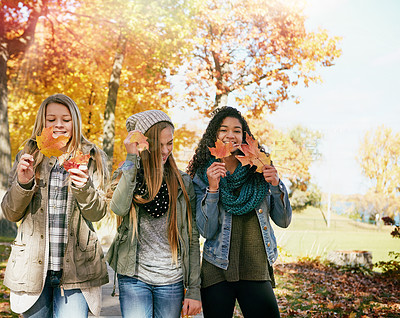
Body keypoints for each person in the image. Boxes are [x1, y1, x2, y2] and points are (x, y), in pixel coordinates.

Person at [1, 94, 109, 317]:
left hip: (77, 270)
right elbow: (11, 213)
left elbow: (97, 213)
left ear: (75, 122)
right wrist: (23, 182)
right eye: (51, 119)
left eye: (66, 119)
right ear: (43, 121)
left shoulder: (90, 156)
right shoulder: (29, 154)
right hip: (33, 267)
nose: (59, 125)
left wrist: (84, 187)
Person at [187, 106, 292, 318]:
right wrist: (213, 188)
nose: (230, 135)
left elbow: (283, 220)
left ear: (244, 135)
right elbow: (206, 230)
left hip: (255, 267)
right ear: (215, 134)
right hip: (217, 267)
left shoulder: (260, 167)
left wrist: (275, 185)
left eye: (236, 130)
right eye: (223, 129)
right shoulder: (203, 174)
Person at [106, 110, 202, 318]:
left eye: (170, 143)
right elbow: (119, 208)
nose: (166, 150)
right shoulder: (127, 173)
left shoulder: (182, 183)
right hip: (134, 278)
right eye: (160, 144)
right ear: (145, 144)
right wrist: (131, 158)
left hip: (171, 281)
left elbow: (192, 238)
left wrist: (194, 289)